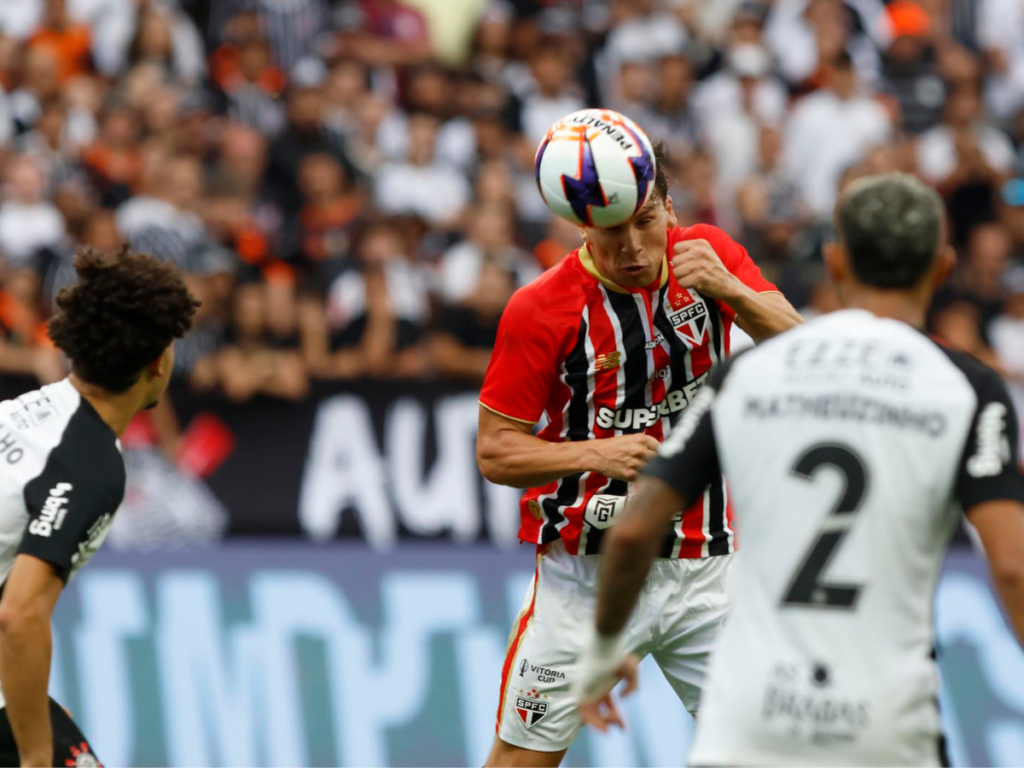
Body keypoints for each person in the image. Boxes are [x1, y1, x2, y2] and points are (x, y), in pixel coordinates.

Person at [574, 173, 1024, 766]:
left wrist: (607, 644)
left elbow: (635, 528)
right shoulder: (968, 387)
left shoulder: (748, 374)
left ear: (834, 263)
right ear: (941, 268)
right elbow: (1013, 568)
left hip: (751, 715)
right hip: (885, 716)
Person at [475, 133, 802, 767]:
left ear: (669, 208)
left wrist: (731, 291)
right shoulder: (539, 309)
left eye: (646, 221)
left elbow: (805, 349)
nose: (631, 247)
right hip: (584, 577)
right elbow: (495, 452)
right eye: (611, 232)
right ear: (582, 230)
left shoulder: (713, 255)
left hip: (705, 568)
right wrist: (591, 455)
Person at [0, 245, 197, 766]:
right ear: (159, 363)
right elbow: (19, 615)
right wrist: (36, 756)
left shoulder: (21, 413)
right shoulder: (89, 463)